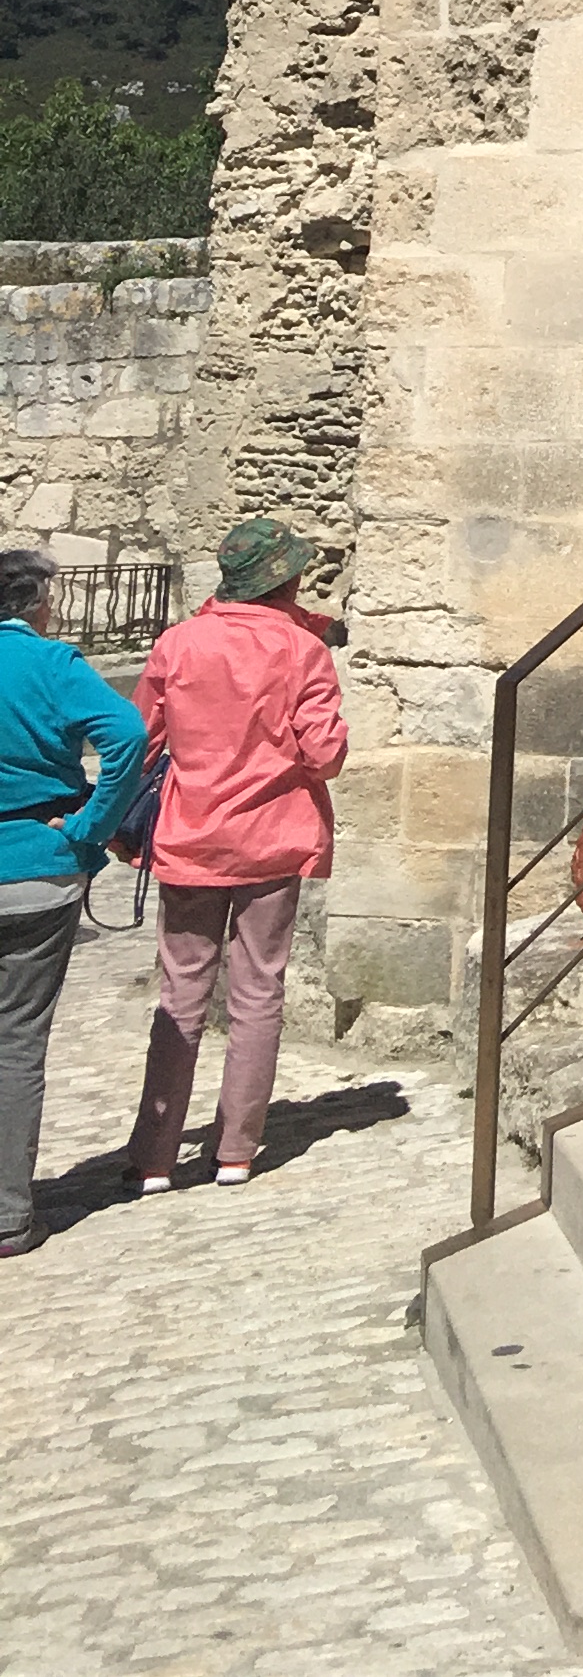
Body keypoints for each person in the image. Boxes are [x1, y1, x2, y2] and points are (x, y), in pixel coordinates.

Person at [124, 514, 347, 1192]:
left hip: (191, 839)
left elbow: (138, 740)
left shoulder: (178, 643)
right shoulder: (302, 650)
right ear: (286, 580)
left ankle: (155, 1156)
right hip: (273, 840)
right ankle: (236, 1151)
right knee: (258, 990)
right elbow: (326, 754)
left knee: (181, 993)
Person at [0, 547, 152, 1256]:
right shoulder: (51, 663)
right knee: (16, 1041)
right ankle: (8, 1214)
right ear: (35, 603)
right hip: (36, 868)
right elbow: (127, 734)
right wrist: (93, 826)